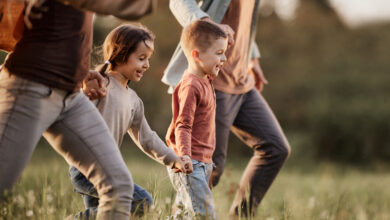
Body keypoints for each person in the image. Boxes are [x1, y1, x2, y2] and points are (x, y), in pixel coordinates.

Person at [0, 0, 155, 219]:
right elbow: (130, 6)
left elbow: (63, 26)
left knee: (119, 188)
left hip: (70, 94)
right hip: (30, 86)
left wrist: (80, 72)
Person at [162, 0, 291, 217]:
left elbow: (242, 21)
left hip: (242, 81)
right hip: (212, 84)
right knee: (208, 168)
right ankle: (183, 214)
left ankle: (240, 216)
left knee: (276, 148)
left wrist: (251, 56)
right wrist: (205, 22)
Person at [68, 24, 191, 219]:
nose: (147, 65)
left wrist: (173, 159)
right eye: (141, 58)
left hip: (107, 167)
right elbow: (71, 107)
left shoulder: (134, 100)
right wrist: (84, 88)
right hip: (86, 168)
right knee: (141, 202)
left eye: (148, 59)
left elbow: (147, 138)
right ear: (121, 54)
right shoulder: (100, 84)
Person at [166, 20, 228, 219]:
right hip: (190, 163)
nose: (224, 58)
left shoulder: (206, 79)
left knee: (184, 213)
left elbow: (215, 53)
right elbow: (182, 125)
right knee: (206, 215)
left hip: (203, 162)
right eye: (219, 53)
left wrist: (219, 51)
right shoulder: (191, 86)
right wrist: (184, 156)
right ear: (196, 55)